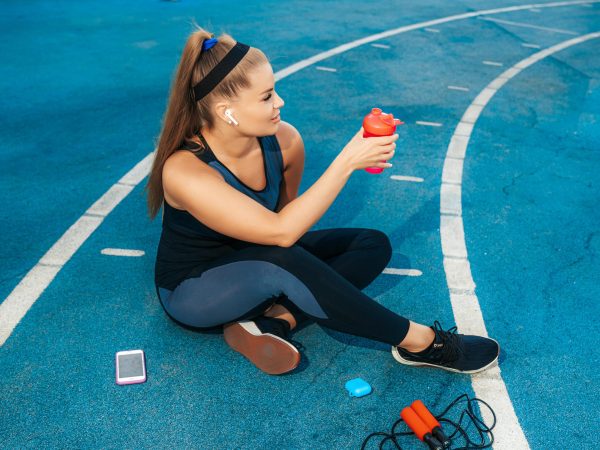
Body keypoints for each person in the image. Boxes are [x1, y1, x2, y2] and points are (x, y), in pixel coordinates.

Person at [145, 27, 500, 376]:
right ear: (226, 111)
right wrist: (347, 161)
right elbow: (281, 233)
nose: (279, 102)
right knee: (281, 257)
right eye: (267, 96)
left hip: (262, 260)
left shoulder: (284, 141)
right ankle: (421, 342)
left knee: (372, 244)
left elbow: (289, 220)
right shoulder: (185, 170)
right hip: (196, 293)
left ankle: (273, 323)